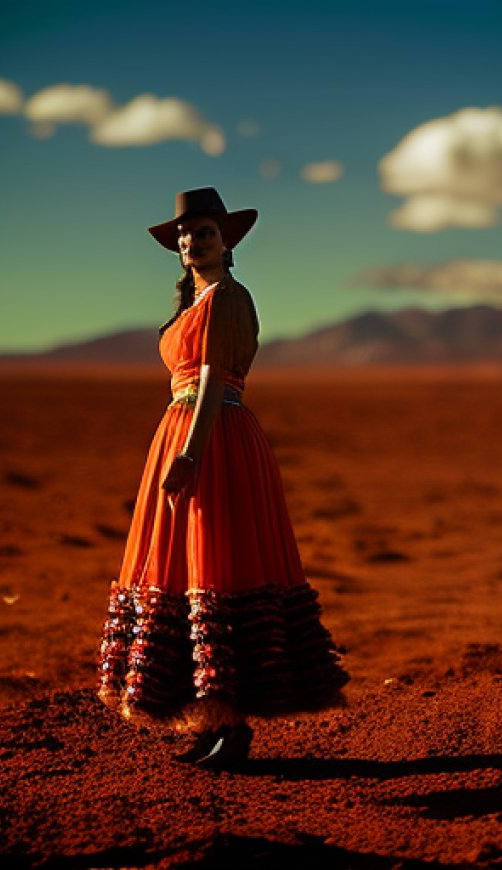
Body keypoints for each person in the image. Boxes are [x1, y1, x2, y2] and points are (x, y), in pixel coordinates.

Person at [96, 187, 349, 769]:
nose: (191, 243)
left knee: (219, 560)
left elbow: (212, 379)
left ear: (226, 241)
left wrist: (190, 452)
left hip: (216, 438)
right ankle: (212, 717)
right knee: (188, 564)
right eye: (185, 236)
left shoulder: (229, 298)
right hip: (186, 432)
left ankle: (234, 730)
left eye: (204, 233)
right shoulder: (194, 301)